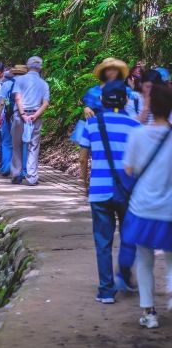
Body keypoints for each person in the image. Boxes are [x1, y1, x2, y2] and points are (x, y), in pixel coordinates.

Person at [78, 80, 141, 304]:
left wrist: (84, 184)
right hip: (127, 192)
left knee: (103, 242)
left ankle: (106, 290)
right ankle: (124, 273)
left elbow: (83, 158)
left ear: (102, 99)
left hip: (100, 190)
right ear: (125, 100)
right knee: (129, 236)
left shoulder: (91, 124)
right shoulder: (135, 127)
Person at [121, 84, 172, 328]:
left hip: (142, 207)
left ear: (150, 105)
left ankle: (149, 312)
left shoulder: (137, 135)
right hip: (169, 209)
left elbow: (128, 170)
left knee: (144, 259)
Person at [11, 56, 50, 186]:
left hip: (19, 116)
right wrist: (35, 115)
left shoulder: (20, 80)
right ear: (40, 68)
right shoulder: (44, 84)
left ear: (27, 66)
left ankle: (16, 175)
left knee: (17, 145)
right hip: (35, 118)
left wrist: (22, 114)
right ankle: (32, 177)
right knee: (33, 147)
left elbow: (17, 98)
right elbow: (45, 103)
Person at [0, 65, 28, 177]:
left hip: (9, 117)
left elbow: (1, 102)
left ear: (14, 73)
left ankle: (5, 168)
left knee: (6, 143)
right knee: (24, 143)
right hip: (25, 117)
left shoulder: (7, 84)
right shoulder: (28, 84)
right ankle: (24, 171)